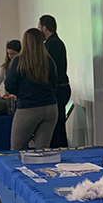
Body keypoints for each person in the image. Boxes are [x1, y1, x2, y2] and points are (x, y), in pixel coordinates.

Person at [5, 28, 59, 150]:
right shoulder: (49, 61)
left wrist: (22, 92)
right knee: (43, 150)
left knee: (17, 148)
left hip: (28, 108)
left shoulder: (19, 61)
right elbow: (55, 83)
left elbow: (9, 86)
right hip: (50, 108)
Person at [38, 15, 70, 148]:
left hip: (57, 90)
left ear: (44, 28)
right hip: (62, 88)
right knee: (58, 126)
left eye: (39, 27)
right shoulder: (57, 42)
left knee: (56, 128)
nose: (39, 30)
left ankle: (59, 151)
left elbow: (50, 71)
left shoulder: (51, 44)